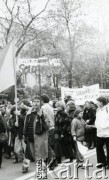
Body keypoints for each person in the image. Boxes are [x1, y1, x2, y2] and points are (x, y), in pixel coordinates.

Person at [23, 96, 49, 176]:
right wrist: (24, 135)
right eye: (34, 101)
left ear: (40, 103)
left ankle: (40, 174)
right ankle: (42, 171)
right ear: (32, 103)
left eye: (38, 101)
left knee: (39, 156)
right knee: (35, 157)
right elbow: (25, 125)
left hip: (40, 138)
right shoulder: (29, 113)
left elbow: (47, 127)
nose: (36, 103)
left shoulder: (44, 113)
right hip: (30, 138)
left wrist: (42, 118)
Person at [95, 96, 109, 169]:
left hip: (107, 133)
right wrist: (97, 125)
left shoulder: (107, 109)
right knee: (99, 148)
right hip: (99, 133)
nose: (96, 103)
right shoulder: (98, 109)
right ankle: (101, 162)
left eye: (97, 101)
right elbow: (97, 119)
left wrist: (103, 126)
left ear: (101, 102)